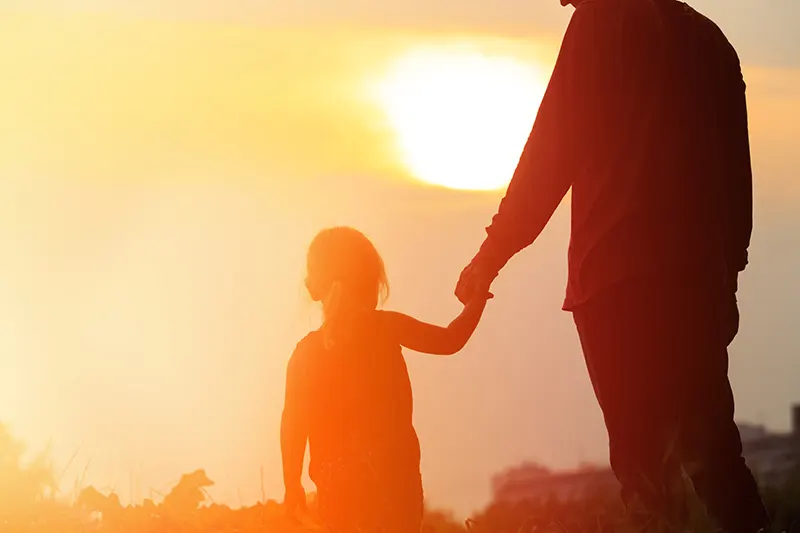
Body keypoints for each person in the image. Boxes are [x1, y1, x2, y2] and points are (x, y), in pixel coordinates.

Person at [455, 0, 769, 531]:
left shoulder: (597, 26)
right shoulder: (712, 43)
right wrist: (728, 280)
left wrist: (489, 258)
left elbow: (548, 159)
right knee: (713, 449)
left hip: (613, 281)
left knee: (642, 465)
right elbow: (736, 182)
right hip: (693, 281)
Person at [281, 226, 493, 533]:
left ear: (315, 286)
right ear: (372, 280)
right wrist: (478, 297)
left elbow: (293, 424)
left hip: (337, 488)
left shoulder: (304, 354)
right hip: (395, 480)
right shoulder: (386, 327)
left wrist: (292, 487)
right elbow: (451, 339)